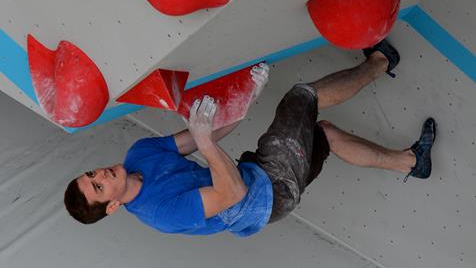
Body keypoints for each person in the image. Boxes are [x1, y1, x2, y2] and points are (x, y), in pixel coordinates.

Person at [64, 39, 436, 237]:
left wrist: (245, 100)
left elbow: (201, 131)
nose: (102, 176)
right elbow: (231, 193)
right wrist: (208, 142)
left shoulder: (139, 154)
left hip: (252, 173)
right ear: (112, 207)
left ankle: (413, 163)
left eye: (92, 175)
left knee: (323, 134)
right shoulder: (161, 213)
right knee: (302, 96)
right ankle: (382, 61)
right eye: (98, 188)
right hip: (268, 195)